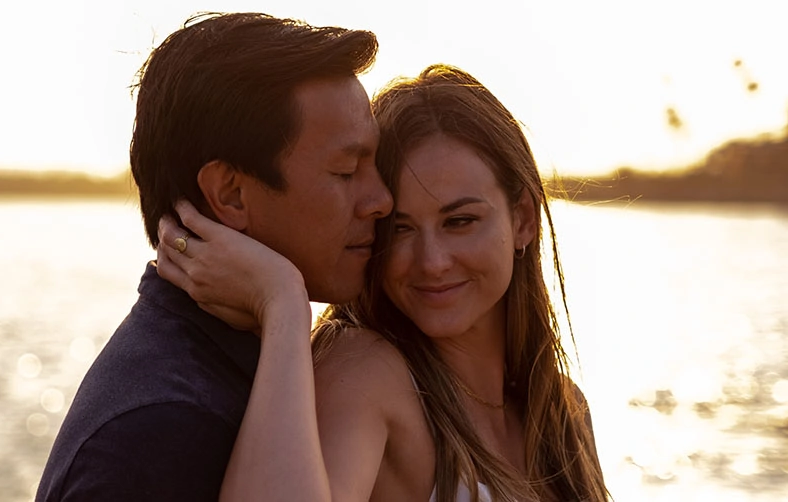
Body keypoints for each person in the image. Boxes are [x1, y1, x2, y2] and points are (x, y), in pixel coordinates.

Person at [157, 64, 609, 501]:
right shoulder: (367, 374)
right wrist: (283, 302)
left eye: (460, 221)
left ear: (524, 219)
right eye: (400, 228)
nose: (431, 262)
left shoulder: (565, 414)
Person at [35, 12, 392, 501]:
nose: (382, 201)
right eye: (348, 171)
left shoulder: (236, 365)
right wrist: (284, 301)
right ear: (231, 195)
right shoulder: (164, 429)